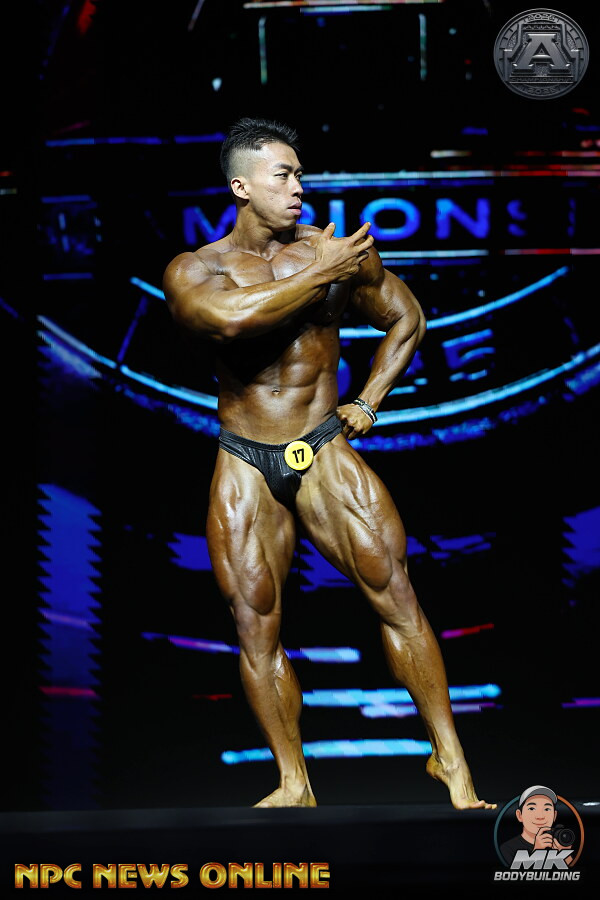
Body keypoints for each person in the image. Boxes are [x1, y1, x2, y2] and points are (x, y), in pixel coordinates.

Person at [162, 117, 496, 810]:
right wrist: (323, 274)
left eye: (300, 174)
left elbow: (407, 318)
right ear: (241, 187)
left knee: (397, 595)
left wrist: (369, 399)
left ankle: (453, 765)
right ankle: (294, 782)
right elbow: (230, 321)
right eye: (283, 175)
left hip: (320, 445)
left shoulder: (331, 252)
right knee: (255, 621)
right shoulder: (196, 269)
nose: (299, 188)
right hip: (244, 456)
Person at [500, 786, 574, 866]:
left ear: (554, 816)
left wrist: (565, 854)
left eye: (547, 809)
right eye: (532, 809)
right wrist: (537, 851)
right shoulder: (507, 848)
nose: (540, 816)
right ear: (519, 815)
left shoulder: (560, 842)